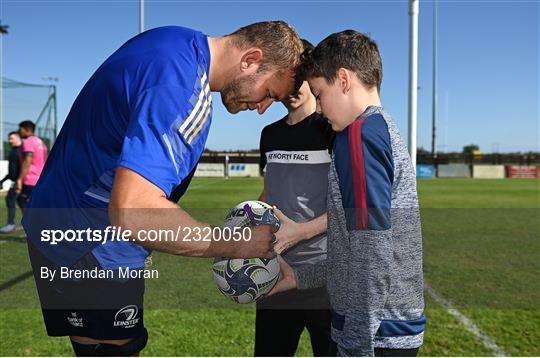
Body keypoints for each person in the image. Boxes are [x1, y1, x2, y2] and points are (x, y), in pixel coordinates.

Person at [22, 22, 304, 356]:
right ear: (250, 60)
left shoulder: (170, 39)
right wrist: (236, 243)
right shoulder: (185, 91)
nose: (261, 108)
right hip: (94, 242)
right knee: (117, 345)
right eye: (269, 93)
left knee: (88, 341)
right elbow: (134, 212)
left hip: (52, 227)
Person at [273, 30, 425, 356]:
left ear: (343, 80)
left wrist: (355, 347)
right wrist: (300, 276)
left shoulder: (360, 136)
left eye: (320, 93)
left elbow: (371, 256)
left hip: (374, 335)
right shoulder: (378, 128)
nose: (321, 108)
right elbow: (354, 253)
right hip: (383, 328)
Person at [255, 39, 335, 357]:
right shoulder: (269, 134)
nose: (292, 87)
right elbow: (268, 191)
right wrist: (249, 221)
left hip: (324, 275)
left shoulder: (332, 130)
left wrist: (301, 232)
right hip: (276, 270)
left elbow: (349, 207)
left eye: (299, 78)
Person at [16, 120, 48, 211]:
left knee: (22, 200)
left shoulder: (28, 142)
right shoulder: (41, 142)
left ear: (27, 129)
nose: (19, 131)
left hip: (30, 179)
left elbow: (27, 161)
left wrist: (20, 179)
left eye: (20, 129)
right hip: (40, 179)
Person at [0, 131, 22, 233]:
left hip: (20, 182)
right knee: (21, 201)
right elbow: (12, 171)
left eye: (12, 138)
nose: (10, 141)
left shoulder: (21, 151)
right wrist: (3, 180)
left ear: (18, 138)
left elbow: (23, 168)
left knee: (10, 199)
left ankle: (10, 224)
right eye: (9, 139)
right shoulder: (14, 151)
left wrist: (19, 180)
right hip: (17, 181)